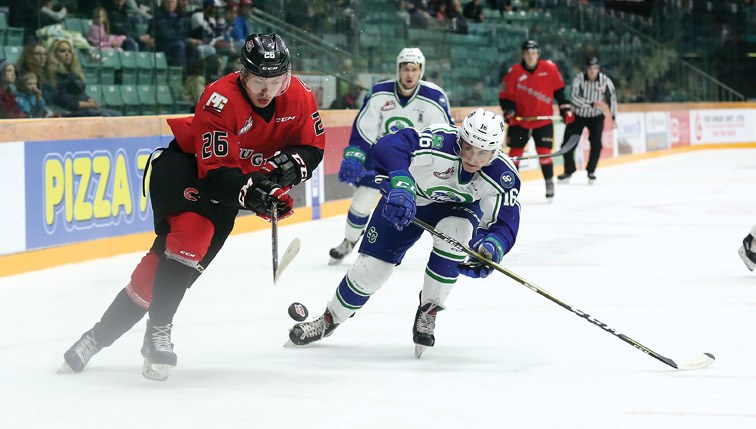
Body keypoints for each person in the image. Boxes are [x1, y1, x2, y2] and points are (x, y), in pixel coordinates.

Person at [62, 34, 326, 381]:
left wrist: (275, 180)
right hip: (188, 170)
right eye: (259, 81)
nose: (267, 90)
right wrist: (255, 191)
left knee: (156, 280)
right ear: (243, 75)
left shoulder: (299, 97)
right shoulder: (220, 100)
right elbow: (216, 176)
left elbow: (312, 148)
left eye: (275, 81)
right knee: (191, 236)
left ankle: (94, 339)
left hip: (233, 184)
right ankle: (159, 332)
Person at [289, 109, 521, 357]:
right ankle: (329, 318)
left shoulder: (503, 176)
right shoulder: (439, 141)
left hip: (458, 211)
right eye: (469, 148)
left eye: (483, 153)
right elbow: (390, 146)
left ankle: (429, 309)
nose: (474, 158)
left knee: (457, 234)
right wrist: (402, 181)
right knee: (371, 270)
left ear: (495, 151)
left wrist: (492, 247)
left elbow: (506, 221)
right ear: (460, 139)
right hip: (408, 202)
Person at [328, 47, 453, 265]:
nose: (409, 74)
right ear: (398, 69)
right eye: (405, 69)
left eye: (414, 69)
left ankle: (393, 248)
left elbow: (445, 134)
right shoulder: (379, 93)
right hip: (381, 159)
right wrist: (355, 155)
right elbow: (364, 127)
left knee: (405, 207)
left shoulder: (434, 97)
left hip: (415, 164)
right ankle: (349, 241)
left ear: (421, 71)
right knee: (362, 201)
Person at [498, 40, 574, 201]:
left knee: (544, 153)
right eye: (527, 53)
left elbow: (560, 91)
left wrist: (564, 108)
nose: (530, 56)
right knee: (515, 155)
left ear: (538, 54)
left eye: (533, 53)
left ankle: (549, 182)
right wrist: (509, 109)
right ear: (523, 55)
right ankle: (510, 188)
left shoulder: (549, 68)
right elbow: (505, 96)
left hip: (543, 121)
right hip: (520, 121)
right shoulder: (515, 72)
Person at [557, 56, 617, 184]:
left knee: (596, 144)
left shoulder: (605, 80)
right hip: (578, 116)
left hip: (596, 117)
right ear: (587, 69)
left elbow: (612, 99)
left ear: (598, 69)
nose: (592, 71)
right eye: (590, 68)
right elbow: (574, 98)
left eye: (595, 68)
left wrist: (613, 117)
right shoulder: (579, 78)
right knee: (567, 144)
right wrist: (590, 103)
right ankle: (569, 170)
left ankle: (591, 171)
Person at [44, 39, 121, 117]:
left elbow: (80, 93)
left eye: (70, 51)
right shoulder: (53, 75)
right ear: (54, 54)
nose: (67, 54)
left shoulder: (72, 73)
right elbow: (63, 100)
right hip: (66, 111)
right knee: (104, 115)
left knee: (117, 115)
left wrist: (89, 99)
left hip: (82, 109)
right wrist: (87, 104)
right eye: (62, 51)